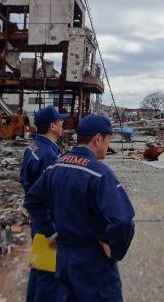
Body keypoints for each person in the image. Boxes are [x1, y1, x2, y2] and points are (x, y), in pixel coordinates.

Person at [24, 114, 135, 301]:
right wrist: (115, 250)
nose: (108, 145)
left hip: (62, 257)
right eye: (108, 140)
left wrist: (51, 231)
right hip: (92, 261)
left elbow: (32, 201)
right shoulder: (99, 174)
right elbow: (122, 221)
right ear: (97, 139)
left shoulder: (55, 166)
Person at [19, 105, 69, 302]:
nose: (62, 122)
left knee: (40, 271)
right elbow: (46, 196)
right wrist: (52, 230)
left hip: (39, 223)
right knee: (51, 279)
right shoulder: (49, 156)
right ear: (52, 126)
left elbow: (26, 182)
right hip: (48, 226)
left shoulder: (33, 148)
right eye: (60, 120)